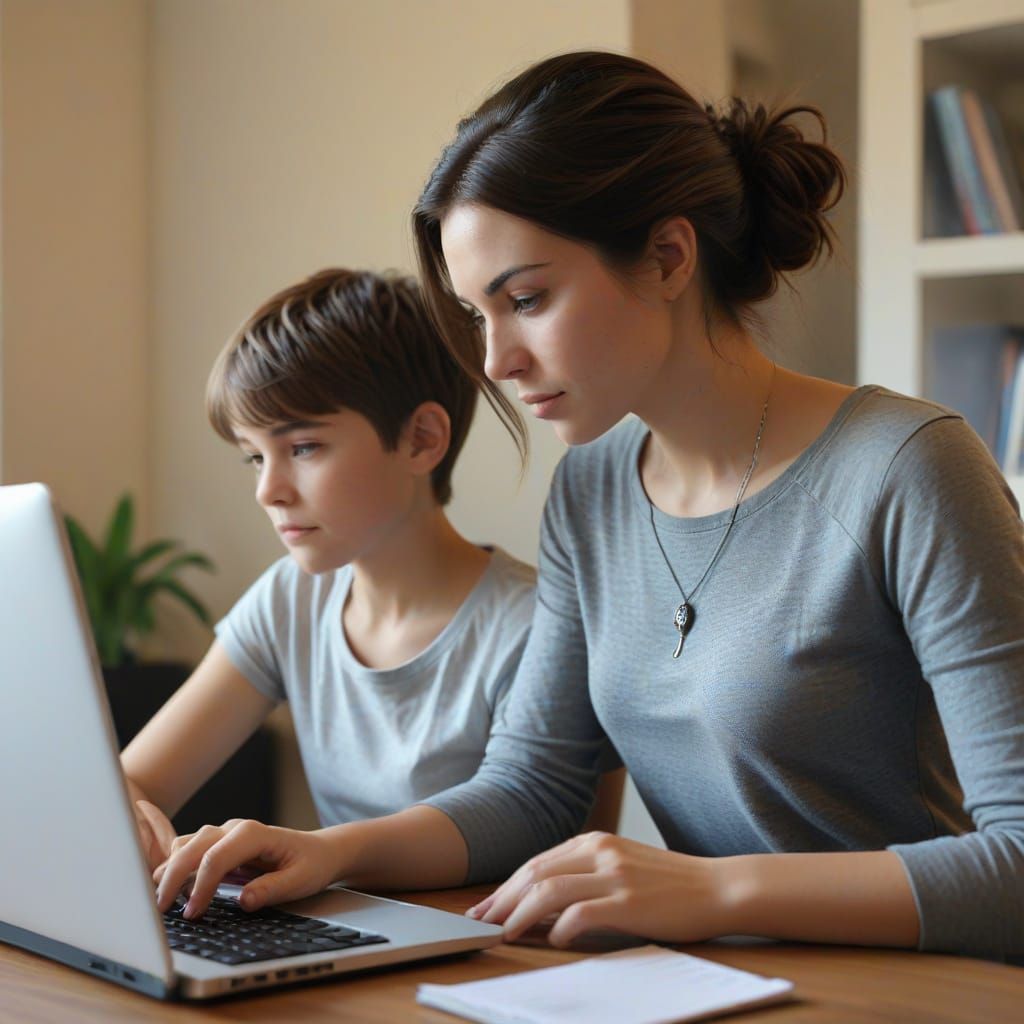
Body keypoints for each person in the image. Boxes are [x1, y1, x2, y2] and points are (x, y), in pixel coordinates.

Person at [151, 54, 1024, 962]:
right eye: (477, 314)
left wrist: (713, 889)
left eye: (525, 299)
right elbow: (533, 788)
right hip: (714, 980)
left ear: (668, 257)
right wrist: (329, 853)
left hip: (922, 989)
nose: (495, 361)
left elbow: (1017, 866)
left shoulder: (909, 470)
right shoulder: (593, 487)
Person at [124, 267, 623, 913]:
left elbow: (561, 844)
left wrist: (328, 850)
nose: (267, 489)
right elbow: (137, 779)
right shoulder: (291, 601)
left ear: (422, 439)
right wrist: (133, 823)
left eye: (302, 447)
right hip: (346, 938)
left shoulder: (536, 626)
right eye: (254, 456)